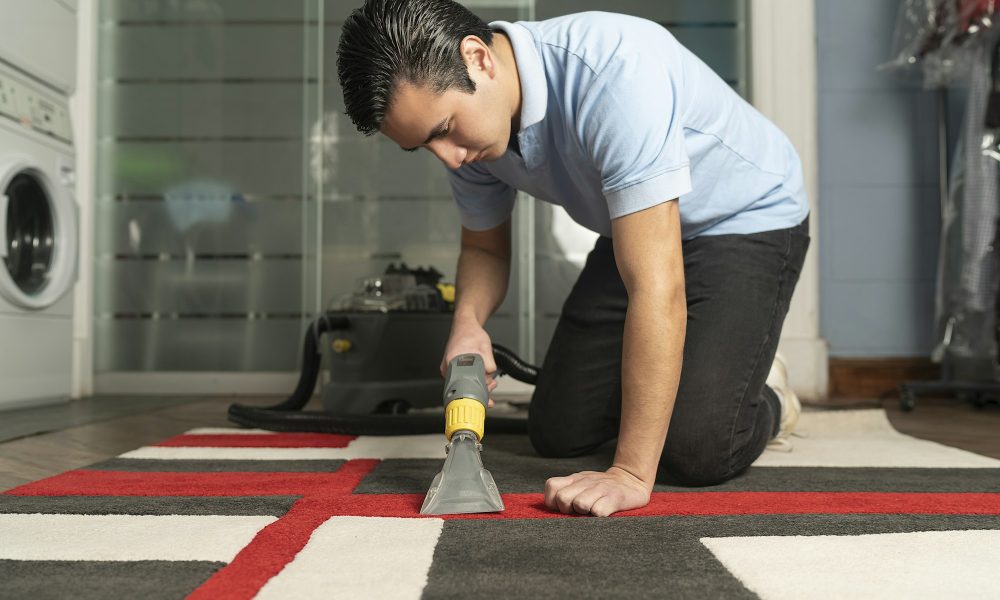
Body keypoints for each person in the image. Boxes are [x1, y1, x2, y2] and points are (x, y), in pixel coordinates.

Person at [337, 0, 810, 517]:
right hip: (632, 227)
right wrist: (468, 325)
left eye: (445, 128)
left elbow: (658, 288)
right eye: (425, 145)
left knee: (697, 449)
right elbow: (483, 246)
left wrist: (629, 473)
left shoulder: (614, 73)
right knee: (559, 431)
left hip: (745, 218)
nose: (447, 157)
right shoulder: (468, 136)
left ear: (477, 58)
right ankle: (708, 362)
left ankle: (764, 392)